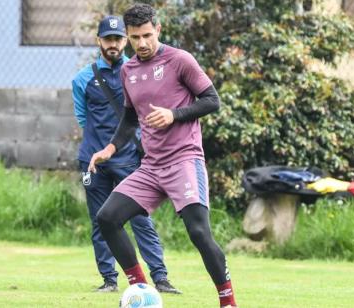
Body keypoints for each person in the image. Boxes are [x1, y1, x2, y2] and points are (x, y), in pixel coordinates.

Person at [88, 4, 238, 308]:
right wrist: (110, 149)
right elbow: (131, 119)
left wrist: (174, 114)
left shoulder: (180, 60)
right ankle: (142, 290)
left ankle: (228, 302)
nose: (141, 43)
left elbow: (212, 100)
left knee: (198, 232)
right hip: (151, 166)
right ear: (128, 37)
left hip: (184, 160)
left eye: (147, 35)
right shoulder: (128, 70)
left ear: (158, 29)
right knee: (107, 218)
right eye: (135, 37)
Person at [71, 15, 180, 294]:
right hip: (93, 162)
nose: (113, 44)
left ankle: (160, 278)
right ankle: (109, 279)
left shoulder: (134, 71)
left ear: (125, 41)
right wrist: (100, 147)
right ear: (99, 41)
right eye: (108, 39)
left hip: (129, 160)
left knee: (141, 220)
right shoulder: (82, 78)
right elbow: (83, 119)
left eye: (118, 39)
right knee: (100, 221)